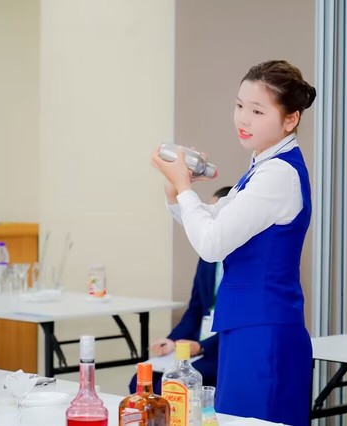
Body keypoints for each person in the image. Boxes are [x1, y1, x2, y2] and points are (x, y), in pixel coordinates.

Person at [150, 60, 316, 426]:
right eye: (240, 105)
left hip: (264, 331)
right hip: (249, 327)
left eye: (257, 111)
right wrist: (176, 189)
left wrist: (184, 188)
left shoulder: (277, 174)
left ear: (291, 119)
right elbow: (209, 221)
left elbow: (211, 244)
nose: (243, 118)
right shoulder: (261, 169)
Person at [129, 186, 232, 395]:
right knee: (139, 382)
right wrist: (173, 341)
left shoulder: (244, 261)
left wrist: (201, 347)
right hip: (195, 347)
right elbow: (195, 308)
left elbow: (239, 325)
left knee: (168, 387)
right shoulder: (207, 257)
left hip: (221, 350)